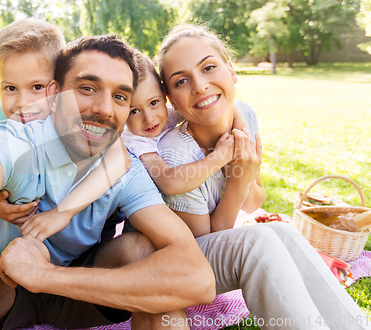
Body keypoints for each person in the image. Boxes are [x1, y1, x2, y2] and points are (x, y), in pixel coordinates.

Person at [0, 34, 215, 330]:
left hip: (81, 292)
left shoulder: (126, 169)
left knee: (141, 252)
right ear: (54, 94)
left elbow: (198, 280)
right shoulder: (16, 140)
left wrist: (45, 276)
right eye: (87, 88)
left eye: (120, 97)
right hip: (4, 286)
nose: (105, 108)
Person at [155, 24, 370, 330]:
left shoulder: (246, 115)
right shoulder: (177, 155)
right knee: (257, 241)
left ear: (231, 71)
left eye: (209, 68)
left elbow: (255, 202)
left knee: (285, 233)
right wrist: (237, 176)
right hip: (187, 260)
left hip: (217, 241)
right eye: (181, 81)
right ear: (171, 101)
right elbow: (209, 241)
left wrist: (244, 170)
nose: (200, 85)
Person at [0, 18, 130, 241]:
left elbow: (120, 159)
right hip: (2, 243)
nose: (22, 102)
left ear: (59, 85)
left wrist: (63, 213)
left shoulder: (75, 114)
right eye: (10, 88)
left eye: (37, 87)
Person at [121, 52, 248, 236]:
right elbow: (168, 181)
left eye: (154, 102)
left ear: (165, 97)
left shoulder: (169, 113)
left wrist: (241, 136)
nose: (149, 118)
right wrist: (219, 157)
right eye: (134, 111)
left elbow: (228, 106)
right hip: (148, 227)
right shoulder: (135, 139)